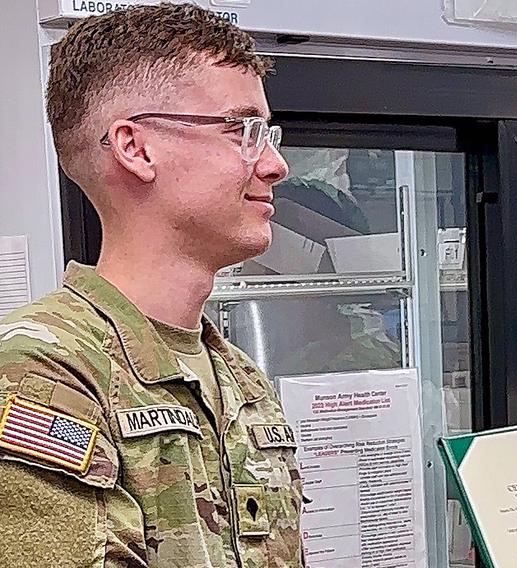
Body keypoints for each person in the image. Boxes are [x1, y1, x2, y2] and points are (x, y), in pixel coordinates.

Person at [0, 4, 305, 567]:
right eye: (243, 131)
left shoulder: (241, 380)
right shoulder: (43, 369)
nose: (275, 164)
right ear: (136, 149)